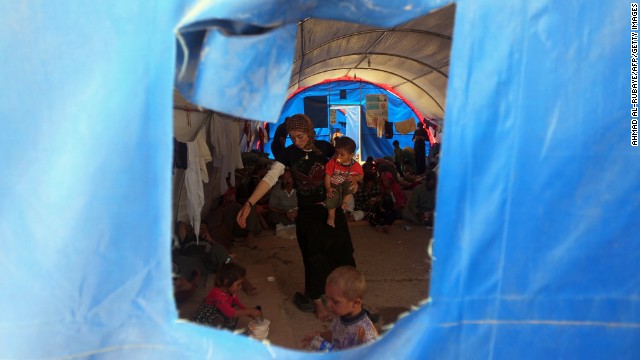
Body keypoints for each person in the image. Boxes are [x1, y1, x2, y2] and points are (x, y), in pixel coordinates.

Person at [237, 114, 357, 321]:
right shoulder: (288, 154)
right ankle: (317, 301)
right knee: (314, 258)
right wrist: (250, 203)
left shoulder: (326, 149)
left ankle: (346, 295)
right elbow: (270, 178)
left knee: (343, 252)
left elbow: (343, 167)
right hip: (308, 214)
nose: (297, 142)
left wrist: (352, 182)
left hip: (332, 209)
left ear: (310, 132)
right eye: (292, 137)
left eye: (300, 136)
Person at [301, 266, 379, 351]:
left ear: (355, 303)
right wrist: (319, 336)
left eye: (335, 302)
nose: (328, 304)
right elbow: (334, 333)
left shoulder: (366, 333)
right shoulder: (341, 316)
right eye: (327, 298)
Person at [192, 263, 262, 330]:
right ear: (227, 282)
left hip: (222, 308)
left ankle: (226, 326)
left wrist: (248, 312)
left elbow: (238, 304)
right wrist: (249, 311)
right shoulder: (218, 294)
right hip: (210, 313)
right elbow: (231, 313)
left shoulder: (230, 290)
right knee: (217, 322)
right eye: (238, 284)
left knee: (236, 308)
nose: (240, 287)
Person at [324, 136, 364, 227]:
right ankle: (331, 217)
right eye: (337, 153)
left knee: (353, 184)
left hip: (345, 186)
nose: (338, 156)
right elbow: (327, 175)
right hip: (334, 185)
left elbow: (361, 176)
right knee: (332, 196)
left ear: (351, 155)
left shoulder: (356, 166)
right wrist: (328, 187)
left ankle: (345, 202)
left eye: (342, 155)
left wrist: (355, 179)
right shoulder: (332, 162)